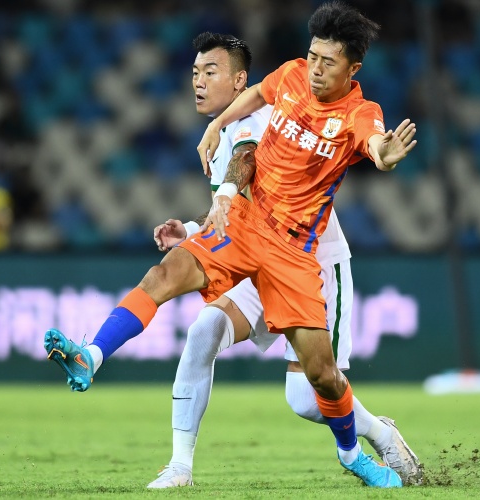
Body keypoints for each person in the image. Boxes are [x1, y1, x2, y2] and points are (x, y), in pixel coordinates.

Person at [45, 1, 416, 488]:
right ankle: (103, 371)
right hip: (247, 230)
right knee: (183, 300)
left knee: (314, 391)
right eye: (312, 56)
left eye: (328, 62)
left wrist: (385, 154)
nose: (315, 68)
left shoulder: (354, 113)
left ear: (353, 68)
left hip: (306, 256)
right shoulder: (287, 80)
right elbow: (261, 95)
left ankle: (366, 442)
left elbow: (262, 158)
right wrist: (211, 147)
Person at [144, 32, 421, 489]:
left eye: (210, 72)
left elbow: (369, 137)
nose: (199, 82)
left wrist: (381, 154)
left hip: (311, 262)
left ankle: (378, 432)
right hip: (258, 257)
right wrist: (194, 229)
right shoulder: (275, 93)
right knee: (203, 330)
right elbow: (239, 207)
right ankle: (179, 467)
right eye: (195, 73)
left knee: (306, 398)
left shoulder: (266, 125)